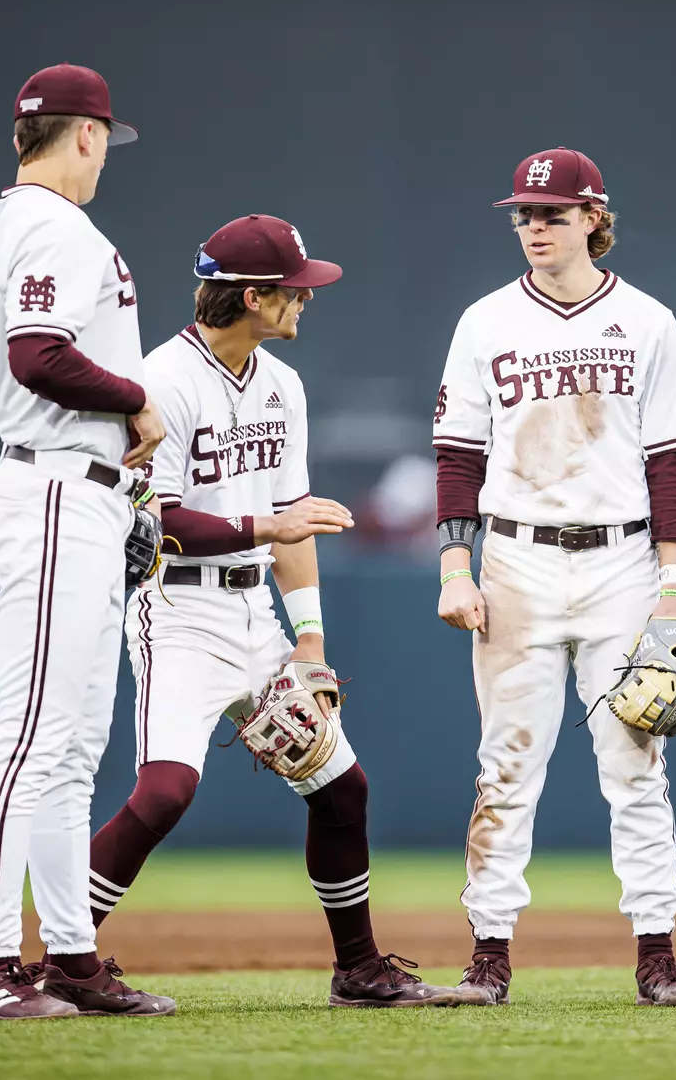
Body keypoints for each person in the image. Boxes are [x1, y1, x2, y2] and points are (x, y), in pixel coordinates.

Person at [87, 215, 458, 1008]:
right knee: (162, 795)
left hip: (256, 611)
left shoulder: (280, 382)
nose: (305, 301)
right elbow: (163, 523)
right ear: (250, 296)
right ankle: (63, 957)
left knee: (342, 790)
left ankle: (358, 970)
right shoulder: (164, 381)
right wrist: (264, 526)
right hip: (178, 613)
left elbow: (295, 521)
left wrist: (310, 642)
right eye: (293, 290)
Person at [433, 147, 676, 1007]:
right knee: (505, 763)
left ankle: (657, 954)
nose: (534, 228)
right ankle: (488, 955)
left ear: (594, 216)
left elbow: (670, 460)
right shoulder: (484, 321)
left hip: (623, 561)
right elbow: (455, 454)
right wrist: (455, 565)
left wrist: (673, 581)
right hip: (514, 560)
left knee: (635, 760)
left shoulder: (648, 321)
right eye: (523, 214)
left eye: (550, 213)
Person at [0, 63, 172, 1020]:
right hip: (53, 487)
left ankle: (74, 963)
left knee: (73, 745)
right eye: (104, 140)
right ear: (85, 134)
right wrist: (136, 397)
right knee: (29, 739)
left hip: (83, 493)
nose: (103, 157)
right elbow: (36, 355)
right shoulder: (51, 223)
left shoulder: (32, 222)